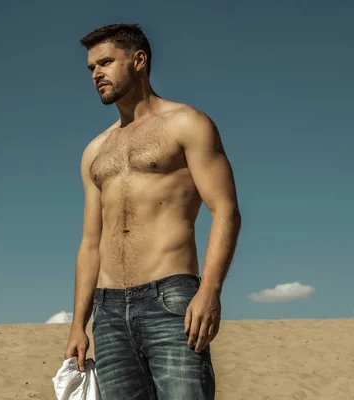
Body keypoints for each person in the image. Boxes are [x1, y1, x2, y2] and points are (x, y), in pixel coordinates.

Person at [64, 23, 241, 400]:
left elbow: (225, 211)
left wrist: (210, 290)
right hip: (107, 311)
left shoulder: (187, 123)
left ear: (139, 60)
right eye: (91, 68)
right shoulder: (95, 150)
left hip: (171, 297)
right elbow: (90, 243)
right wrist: (79, 324)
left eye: (106, 62)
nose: (96, 73)